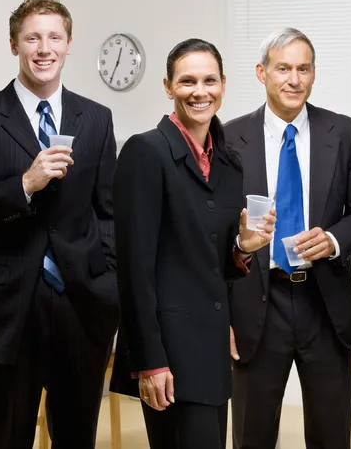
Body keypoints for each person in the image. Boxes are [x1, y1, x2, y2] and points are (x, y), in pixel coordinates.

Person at [0, 0, 118, 449]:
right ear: (15, 45)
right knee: (5, 438)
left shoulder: (96, 119)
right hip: (11, 311)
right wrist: (24, 184)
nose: (44, 48)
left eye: (54, 37)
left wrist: (108, 283)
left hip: (82, 308)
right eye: (32, 37)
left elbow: (108, 213)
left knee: (77, 439)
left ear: (69, 44)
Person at [109, 38, 276, 449]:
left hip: (212, 350)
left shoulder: (228, 162)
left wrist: (244, 247)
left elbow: (215, 259)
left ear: (223, 85)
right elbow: (134, 269)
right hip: (168, 353)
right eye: (187, 81)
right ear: (168, 86)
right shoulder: (145, 152)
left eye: (209, 80)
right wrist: (149, 362)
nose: (199, 91)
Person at [225, 27, 351, 449]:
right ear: (262, 73)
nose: (294, 79)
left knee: (331, 436)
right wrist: (223, 314)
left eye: (304, 68)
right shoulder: (229, 138)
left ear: (313, 74)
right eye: (283, 68)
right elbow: (214, 230)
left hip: (324, 304)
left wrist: (333, 238)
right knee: (251, 436)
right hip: (258, 304)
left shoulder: (343, 132)